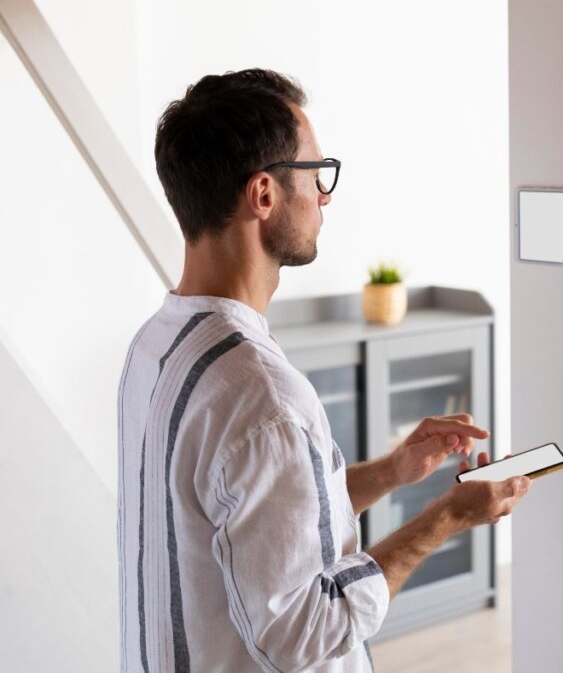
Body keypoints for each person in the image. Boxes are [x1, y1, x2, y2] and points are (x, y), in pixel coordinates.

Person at [117, 68, 531, 672]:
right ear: (264, 195)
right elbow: (304, 632)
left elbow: (252, 523)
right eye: (316, 174)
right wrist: (449, 516)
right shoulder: (263, 395)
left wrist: (393, 471)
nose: (325, 195)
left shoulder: (155, 345)